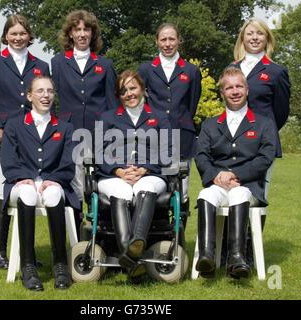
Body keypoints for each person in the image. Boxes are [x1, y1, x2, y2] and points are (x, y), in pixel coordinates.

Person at [0, 14, 50, 270]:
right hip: (0, 140)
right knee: (3, 193)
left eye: (22, 33)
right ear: (6, 36)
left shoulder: (41, 64)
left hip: (31, 140)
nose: (18, 38)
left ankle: (25, 254)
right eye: (13, 33)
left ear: (29, 36)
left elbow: (45, 100)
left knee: (27, 193)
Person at [194, 67, 276, 279]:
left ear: (247, 90)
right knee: (205, 194)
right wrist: (215, 176)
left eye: (239, 86)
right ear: (222, 93)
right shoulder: (210, 124)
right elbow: (201, 156)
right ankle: (207, 258)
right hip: (219, 185)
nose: (235, 91)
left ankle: (237, 258)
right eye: (229, 87)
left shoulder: (264, 123)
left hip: (248, 187)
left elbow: (264, 159)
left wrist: (234, 175)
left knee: (239, 194)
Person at [0, 76, 79, 291]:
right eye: (40, 91)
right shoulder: (14, 125)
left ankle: (61, 266)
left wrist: (54, 179)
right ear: (29, 96)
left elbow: (68, 163)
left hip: (53, 183)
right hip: (21, 184)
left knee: (54, 194)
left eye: (50, 91)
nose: (46, 96)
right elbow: (8, 160)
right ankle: (28, 266)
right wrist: (20, 176)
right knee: (27, 193)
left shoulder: (65, 127)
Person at [226, 17, 291, 265]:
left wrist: (263, 134)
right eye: (250, 33)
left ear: (267, 39)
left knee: (256, 197)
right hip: (231, 144)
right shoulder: (231, 68)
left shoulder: (276, 71)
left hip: (262, 146)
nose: (254, 38)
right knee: (230, 192)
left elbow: (281, 112)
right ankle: (228, 250)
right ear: (243, 38)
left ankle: (251, 252)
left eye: (260, 34)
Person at [96, 70, 172, 277]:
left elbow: (168, 152)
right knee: (121, 190)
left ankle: (134, 245)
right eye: (123, 91)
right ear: (119, 95)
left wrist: (145, 168)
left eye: (133, 88)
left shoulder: (159, 118)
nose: (129, 93)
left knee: (145, 187)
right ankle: (131, 256)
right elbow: (99, 152)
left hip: (150, 174)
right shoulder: (108, 117)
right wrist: (118, 170)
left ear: (143, 90)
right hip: (114, 176)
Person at [51, 10, 118, 239]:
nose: (82, 34)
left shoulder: (105, 64)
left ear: (92, 33)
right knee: (75, 184)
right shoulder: (58, 63)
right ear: (70, 33)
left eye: (86, 29)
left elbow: (112, 103)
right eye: (77, 29)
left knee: (100, 184)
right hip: (70, 133)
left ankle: (105, 235)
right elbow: (53, 99)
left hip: (99, 133)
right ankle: (79, 237)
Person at [138, 23, 202, 212]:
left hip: (182, 136)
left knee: (180, 189)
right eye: (163, 39)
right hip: (153, 137)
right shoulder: (146, 69)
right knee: (155, 185)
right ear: (157, 41)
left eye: (171, 39)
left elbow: (191, 105)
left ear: (179, 41)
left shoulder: (191, 71)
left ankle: (179, 234)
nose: (167, 43)